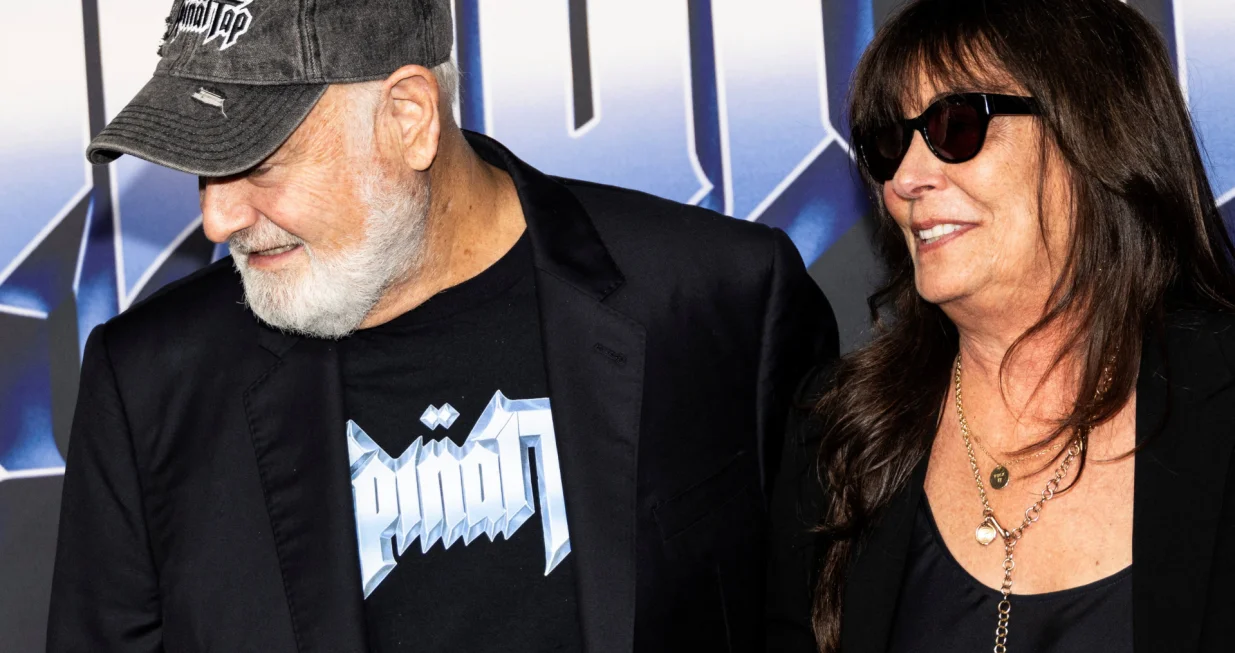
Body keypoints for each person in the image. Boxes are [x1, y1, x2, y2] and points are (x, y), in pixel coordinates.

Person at [46, 1, 838, 651]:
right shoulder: (152, 383)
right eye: (202, 168)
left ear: (409, 117)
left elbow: (819, 615)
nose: (217, 219)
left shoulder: (719, 298)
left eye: (256, 164)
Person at [766, 0, 1235, 651]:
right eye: (888, 143)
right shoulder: (840, 435)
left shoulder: (1221, 404)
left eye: (955, 125)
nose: (905, 179)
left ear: (1094, 134)